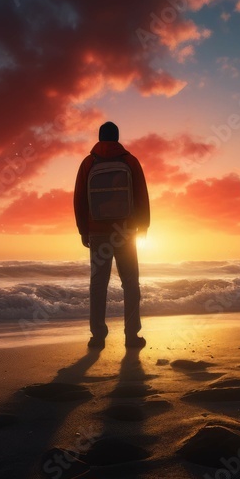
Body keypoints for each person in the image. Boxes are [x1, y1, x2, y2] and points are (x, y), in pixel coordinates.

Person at [73, 121, 150, 349]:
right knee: (130, 283)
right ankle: (131, 336)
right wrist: (143, 224)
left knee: (98, 284)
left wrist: (83, 230)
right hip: (125, 231)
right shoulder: (129, 161)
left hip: (97, 232)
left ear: (99, 137)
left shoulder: (88, 163)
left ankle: (97, 337)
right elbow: (141, 193)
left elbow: (79, 199)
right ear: (117, 137)